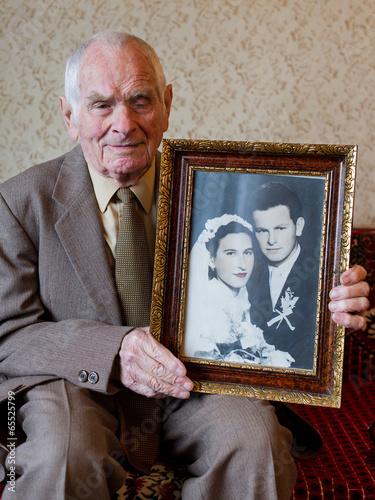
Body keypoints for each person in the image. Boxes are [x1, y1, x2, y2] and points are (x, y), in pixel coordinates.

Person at [0, 31, 369, 500]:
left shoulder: (222, 187)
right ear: (70, 116)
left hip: (201, 380)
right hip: (75, 383)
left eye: (140, 100)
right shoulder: (18, 202)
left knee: (256, 445)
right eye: (101, 106)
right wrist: (113, 349)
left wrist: (328, 304)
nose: (124, 124)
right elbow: (8, 337)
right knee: (60, 459)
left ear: (167, 105)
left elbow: (275, 287)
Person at [183, 214, 294, 367]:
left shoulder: (241, 294)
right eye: (231, 253)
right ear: (211, 259)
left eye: (247, 253)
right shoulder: (204, 302)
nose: (242, 264)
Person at [248, 182, 322, 369]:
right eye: (262, 231)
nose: (271, 240)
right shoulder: (245, 273)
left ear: (298, 226)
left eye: (280, 229)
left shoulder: (320, 274)